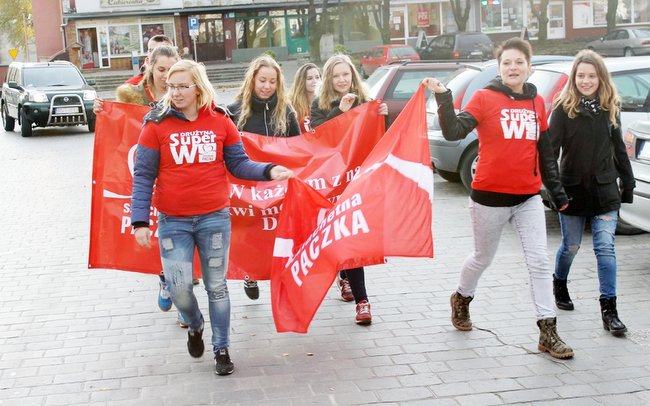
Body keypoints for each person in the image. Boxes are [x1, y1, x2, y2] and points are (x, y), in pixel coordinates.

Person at [130, 59, 293, 375]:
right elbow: (143, 175)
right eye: (172, 86)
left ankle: (221, 349)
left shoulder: (221, 121)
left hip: (214, 219)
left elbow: (239, 164)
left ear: (198, 88)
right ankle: (195, 323)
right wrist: (140, 221)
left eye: (182, 86)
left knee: (216, 286)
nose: (175, 92)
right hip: (173, 221)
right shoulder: (155, 125)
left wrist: (268, 170)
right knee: (179, 289)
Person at [424, 37, 574, 359]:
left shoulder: (538, 104)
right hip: (488, 197)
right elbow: (453, 131)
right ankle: (462, 298)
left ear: (529, 67)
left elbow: (545, 153)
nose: (513, 67)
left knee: (538, 261)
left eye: (519, 62)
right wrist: (443, 96)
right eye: (507, 62)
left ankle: (548, 331)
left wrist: (557, 193)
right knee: (482, 258)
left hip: (527, 197)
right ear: (500, 67)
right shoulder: (485, 98)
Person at [93, 46, 199, 327]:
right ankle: (164, 280)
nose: (166, 76)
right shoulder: (131, 98)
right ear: (149, 67)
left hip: (177, 178)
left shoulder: (184, 95)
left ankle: (180, 298)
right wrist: (102, 112)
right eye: (161, 69)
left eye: (171, 70)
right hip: (145, 174)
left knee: (176, 241)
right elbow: (117, 129)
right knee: (154, 234)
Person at [549, 49, 635, 336]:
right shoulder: (563, 108)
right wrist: (554, 190)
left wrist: (628, 181)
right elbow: (550, 153)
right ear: (574, 78)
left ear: (601, 78)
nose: (586, 81)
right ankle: (559, 281)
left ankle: (609, 310)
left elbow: (619, 148)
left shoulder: (610, 108)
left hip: (604, 190)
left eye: (592, 76)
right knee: (571, 246)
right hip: (572, 191)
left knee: (605, 249)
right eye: (581, 76)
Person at [310, 53, 388, 325]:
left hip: (357, 182)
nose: (342, 80)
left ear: (353, 75)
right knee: (339, 238)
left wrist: (382, 118)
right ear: (329, 79)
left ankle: (362, 301)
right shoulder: (319, 106)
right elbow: (319, 138)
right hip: (332, 183)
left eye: (346, 74)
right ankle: (344, 276)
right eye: (336, 75)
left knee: (353, 239)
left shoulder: (366, 101)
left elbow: (378, 139)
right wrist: (340, 112)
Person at [227, 55, 301, 300]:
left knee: (277, 230)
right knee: (250, 231)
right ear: (252, 80)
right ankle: (250, 271)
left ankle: (282, 276)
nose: (267, 86)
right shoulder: (234, 111)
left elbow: (299, 146)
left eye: (272, 81)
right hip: (247, 183)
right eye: (262, 80)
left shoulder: (287, 110)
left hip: (278, 182)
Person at [288, 62, 322, 132]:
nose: (315, 81)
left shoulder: (327, 102)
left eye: (317, 77)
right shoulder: (291, 104)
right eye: (309, 78)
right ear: (301, 81)